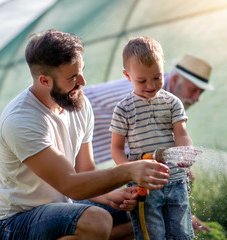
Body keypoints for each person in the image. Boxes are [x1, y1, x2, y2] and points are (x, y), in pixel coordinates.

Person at [0, 29, 171, 240]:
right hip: (13, 223)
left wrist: (111, 196)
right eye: (73, 77)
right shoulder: (21, 120)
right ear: (45, 81)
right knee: (96, 221)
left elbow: (85, 170)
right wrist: (128, 171)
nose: (82, 81)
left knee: (142, 209)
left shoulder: (78, 103)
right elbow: (71, 184)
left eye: (82, 70)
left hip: (63, 207)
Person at [83, 54, 213, 234]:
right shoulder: (137, 98)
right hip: (67, 168)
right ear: (175, 80)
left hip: (86, 169)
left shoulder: (168, 102)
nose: (197, 98)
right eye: (193, 90)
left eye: (201, 92)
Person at [109, 36, 195, 239]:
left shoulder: (172, 102)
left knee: (183, 234)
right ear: (127, 76)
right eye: (142, 80)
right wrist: (130, 172)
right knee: (152, 235)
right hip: (145, 186)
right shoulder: (123, 109)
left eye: (157, 77)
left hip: (176, 182)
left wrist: (186, 152)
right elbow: (117, 148)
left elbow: (181, 134)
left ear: (163, 68)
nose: (151, 85)